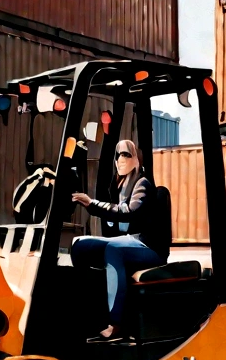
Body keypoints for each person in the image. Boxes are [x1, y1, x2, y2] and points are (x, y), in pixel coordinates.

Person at [70, 139, 163, 343]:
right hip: (131, 241)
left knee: (114, 249)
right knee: (80, 245)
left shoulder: (142, 183)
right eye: (118, 155)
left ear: (136, 158)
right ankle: (88, 313)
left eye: (126, 155)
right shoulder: (121, 184)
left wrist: (92, 203)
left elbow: (129, 212)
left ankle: (116, 322)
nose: (120, 160)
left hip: (148, 246)